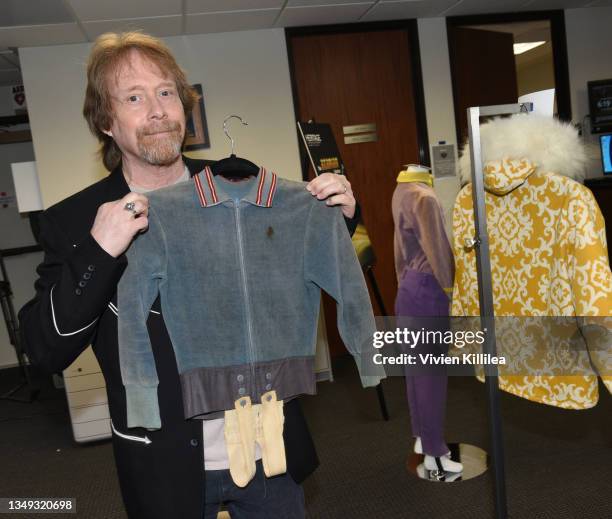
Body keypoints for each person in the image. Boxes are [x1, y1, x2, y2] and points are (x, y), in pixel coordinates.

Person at [19, 32, 360, 519]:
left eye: (165, 92)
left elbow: (291, 275)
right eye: (134, 98)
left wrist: (339, 217)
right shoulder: (75, 221)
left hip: (269, 448)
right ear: (107, 123)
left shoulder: (240, 184)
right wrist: (98, 251)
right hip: (164, 464)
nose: (156, 110)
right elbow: (43, 349)